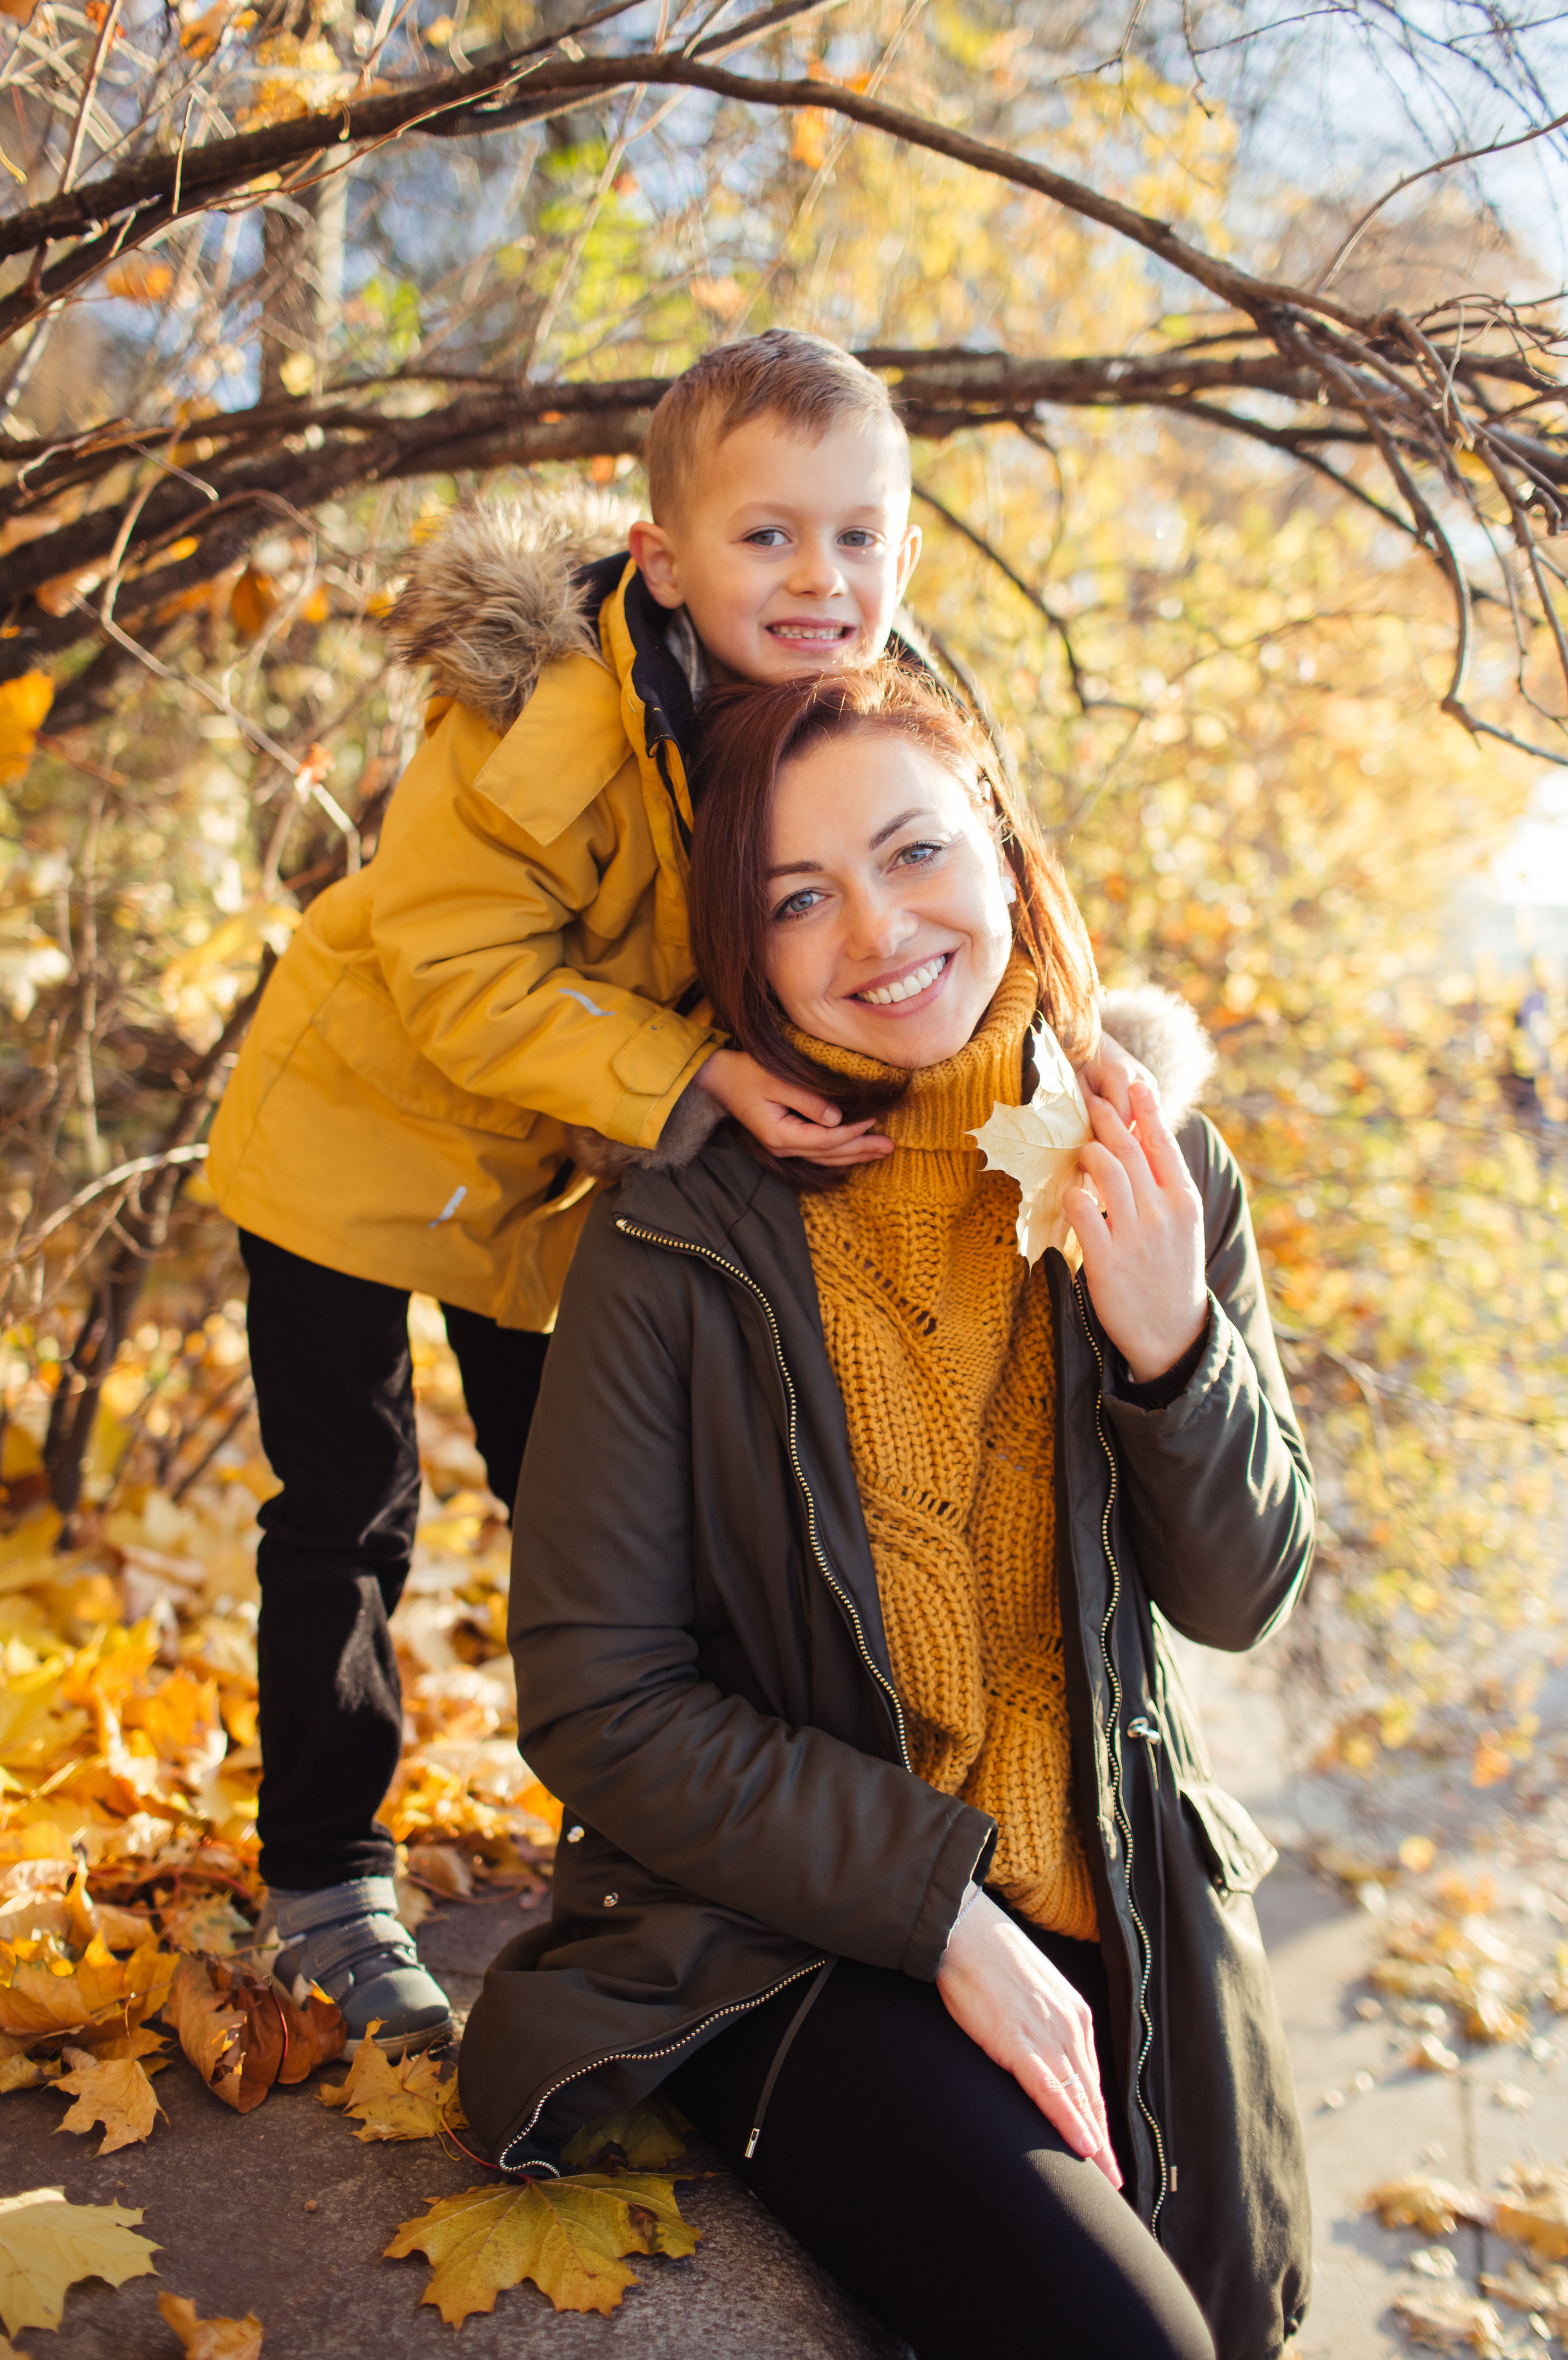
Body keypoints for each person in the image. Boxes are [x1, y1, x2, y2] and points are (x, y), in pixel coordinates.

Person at [210, 331, 1145, 2052]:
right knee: (345, 1505)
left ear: (906, 554)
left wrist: (1114, 1074)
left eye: (858, 537)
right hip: (361, 1137)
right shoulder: (565, 716)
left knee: (572, 1498)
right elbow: (447, 967)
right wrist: (693, 1076)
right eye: (768, 537)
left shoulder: (847, 714)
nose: (819, 579)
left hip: (549, 1181)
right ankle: (326, 1877)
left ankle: (640, 1828)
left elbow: (965, 921)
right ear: (663, 558)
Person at [459, 664, 1316, 2360]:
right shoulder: (677, 1241)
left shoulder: (1158, 1168)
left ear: (999, 842)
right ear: (743, 945)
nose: (876, 931)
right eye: (798, 898)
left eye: (916, 852)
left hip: (1123, 1904)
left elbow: (1240, 1599)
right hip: (782, 1941)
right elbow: (595, 1696)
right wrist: (937, 1905)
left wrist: (1170, 1345)